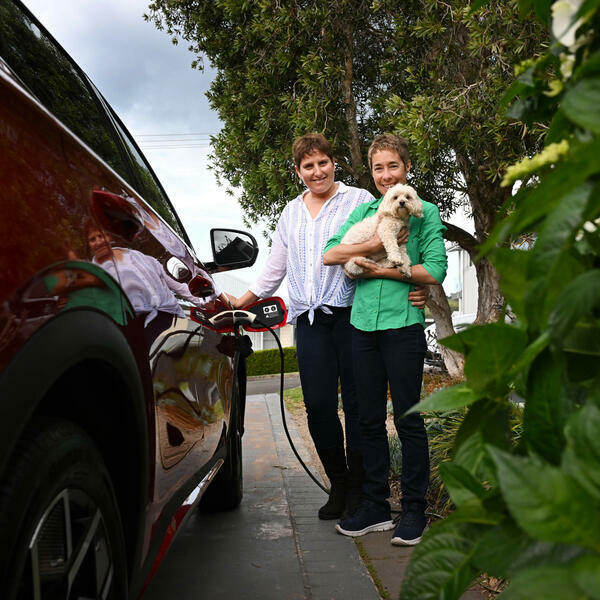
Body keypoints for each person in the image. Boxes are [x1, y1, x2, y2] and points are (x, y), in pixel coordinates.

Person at [228, 133, 428, 520]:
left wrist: (418, 287)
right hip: (311, 321)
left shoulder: (358, 200)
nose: (316, 171)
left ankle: (363, 491)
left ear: (333, 163)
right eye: (308, 166)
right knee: (319, 406)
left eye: (323, 162)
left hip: (352, 316)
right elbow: (275, 268)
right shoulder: (290, 213)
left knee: (358, 408)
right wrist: (240, 301)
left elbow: (401, 240)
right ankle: (339, 484)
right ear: (299, 171)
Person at [323, 133, 447, 545]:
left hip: (403, 324)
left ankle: (413, 509)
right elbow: (331, 253)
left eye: (392, 165)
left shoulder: (425, 212)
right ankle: (375, 504)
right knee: (367, 419)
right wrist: (375, 245)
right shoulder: (366, 212)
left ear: (406, 169)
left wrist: (380, 271)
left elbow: (434, 270)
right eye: (378, 167)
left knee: (408, 417)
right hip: (361, 326)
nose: (385, 174)